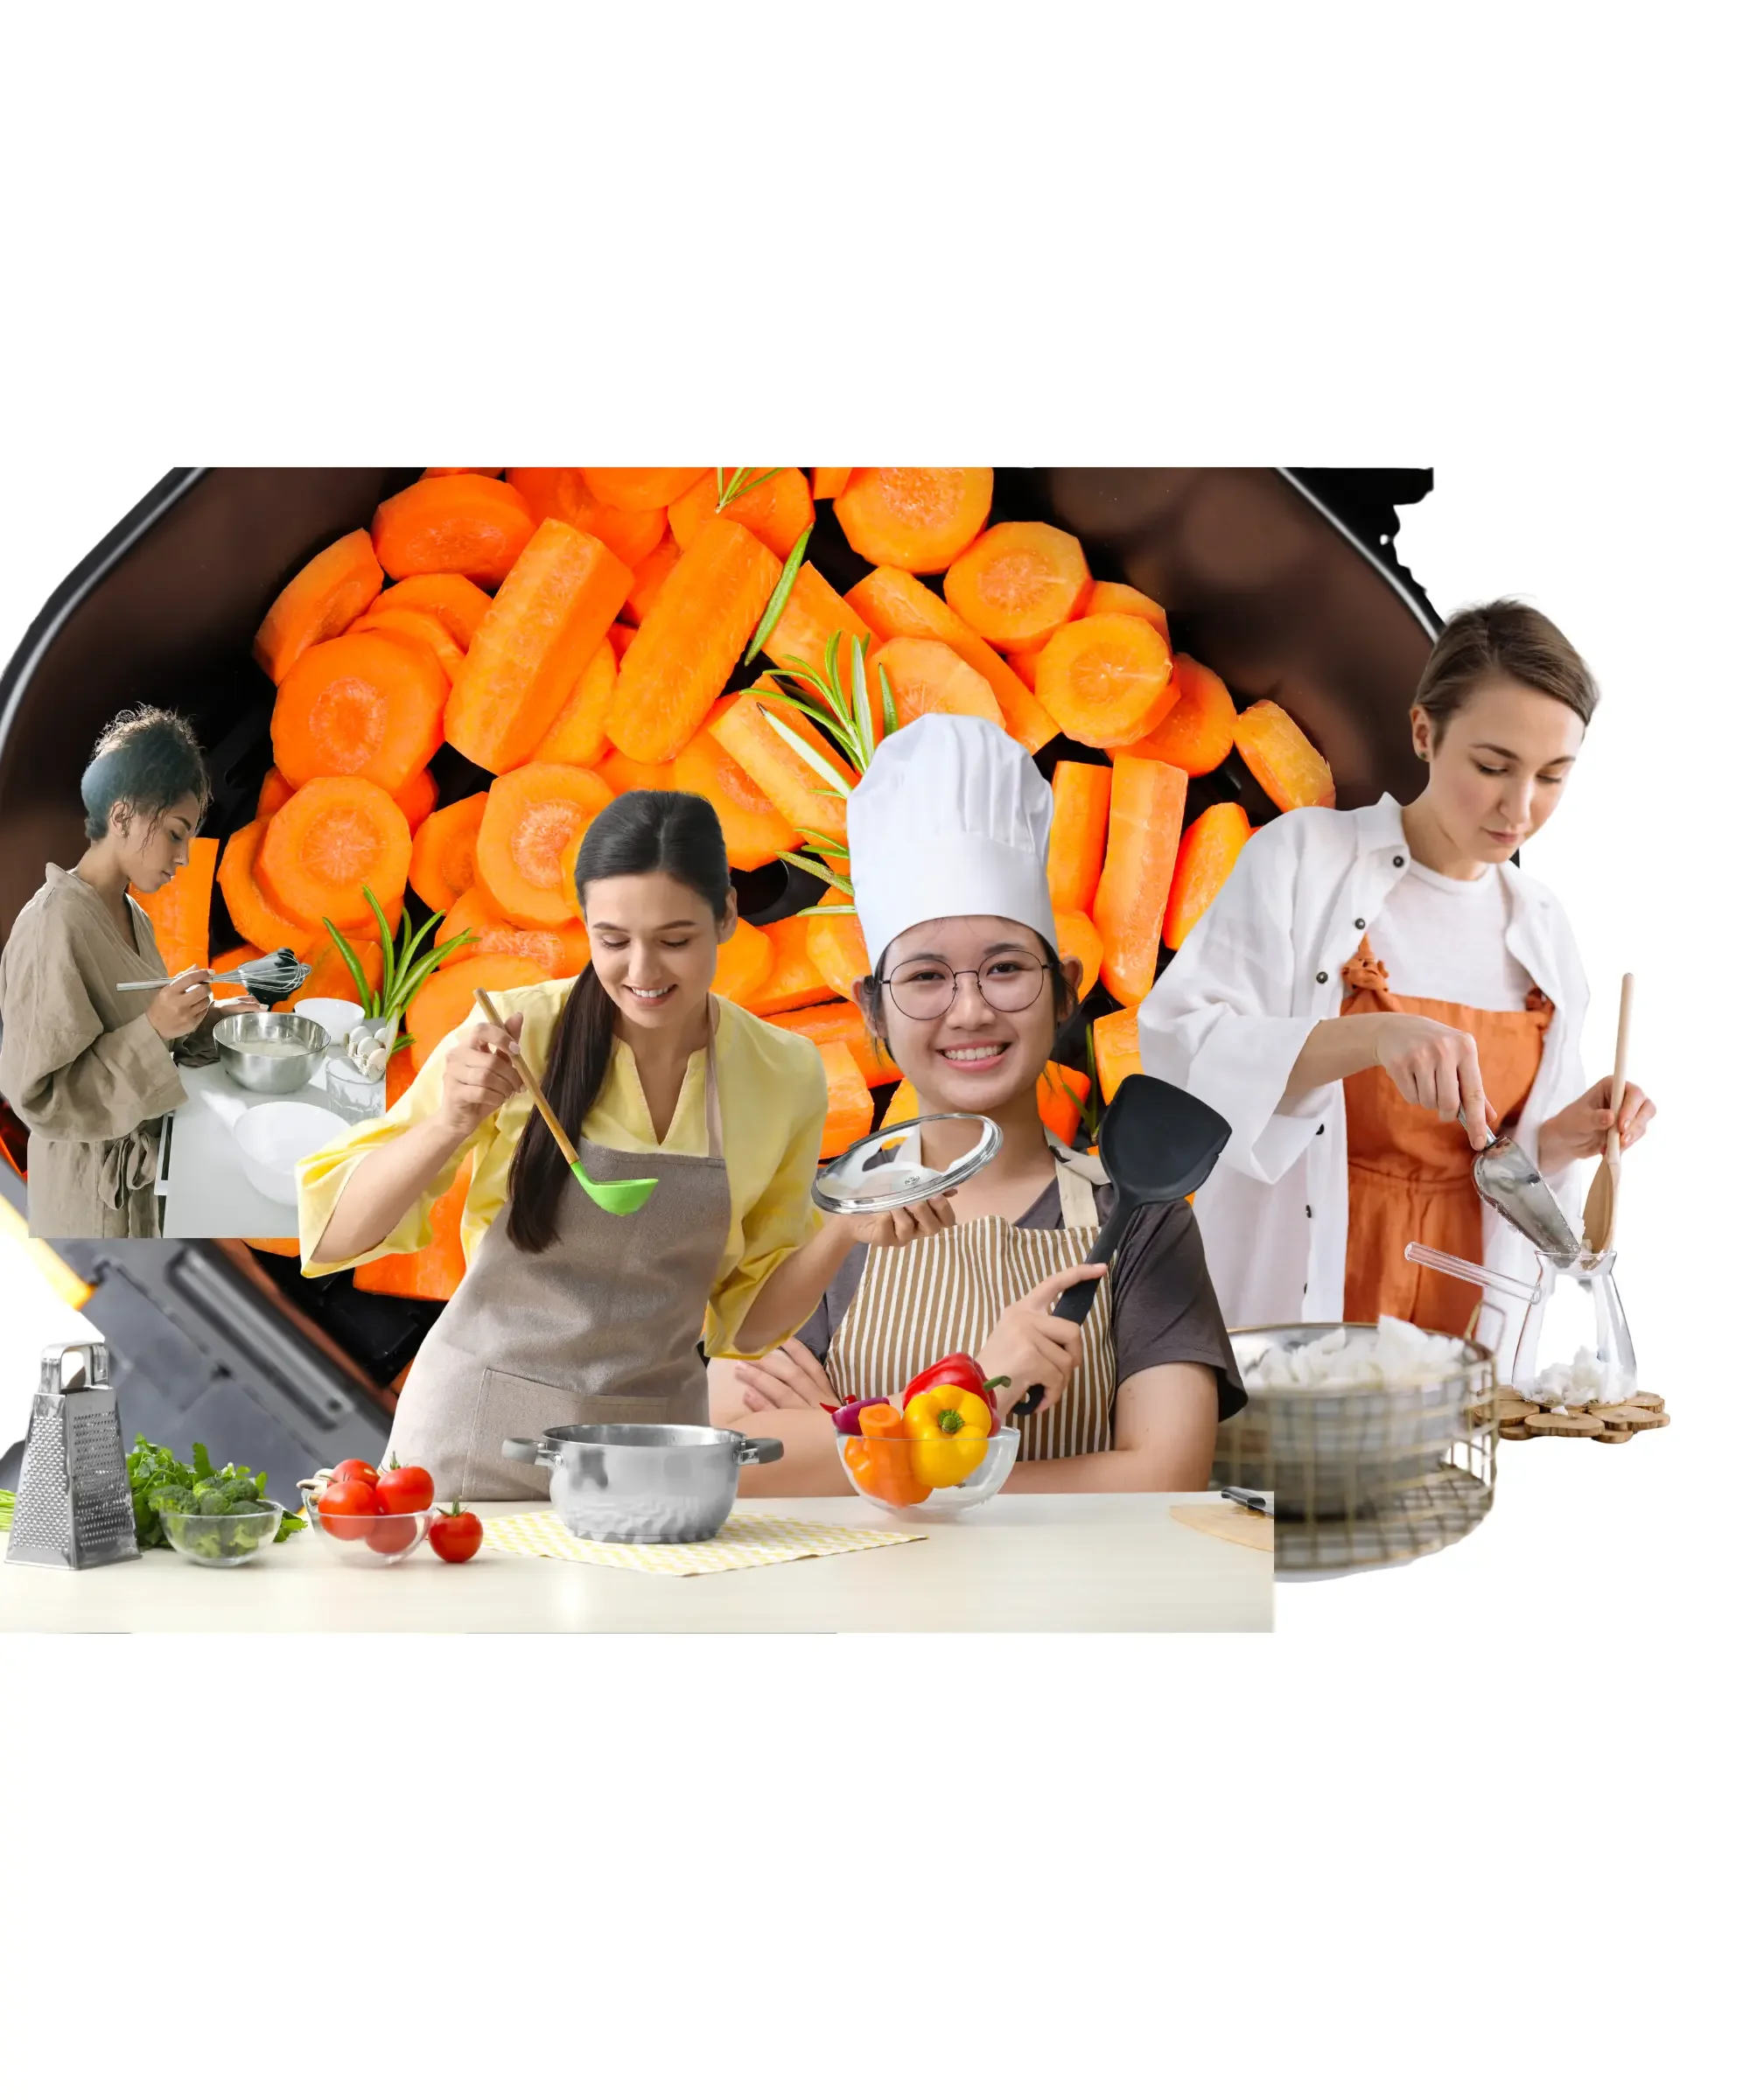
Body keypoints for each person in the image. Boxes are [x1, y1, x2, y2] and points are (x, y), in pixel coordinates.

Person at [297, 790, 951, 1501]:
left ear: (726, 914)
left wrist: (845, 1231)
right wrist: (448, 1122)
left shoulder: (785, 1072)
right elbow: (334, 1234)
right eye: (613, 941)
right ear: (585, 924)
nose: (643, 971)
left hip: (649, 1456)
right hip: (473, 1435)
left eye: (675, 940)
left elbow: (745, 1326)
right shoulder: (520, 1036)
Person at [710, 713, 1246, 1494]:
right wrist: (966, 1396)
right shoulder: (813, 1219)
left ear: (1063, 988)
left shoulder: (1140, 1221)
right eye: (926, 978)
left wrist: (864, 1435)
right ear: (872, 1010)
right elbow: (731, 1458)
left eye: (1004, 970)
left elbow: (1165, 1477)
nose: (969, 1012)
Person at [1138, 599, 1656, 1334]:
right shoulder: (1303, 859)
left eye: (1553, 776)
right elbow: (1177, 1058)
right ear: (1423, 732)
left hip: (1464, 1316)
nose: (1520, 807)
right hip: (1297, 1298)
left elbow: (1511, 1173)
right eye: (1492, 766)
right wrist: (1373, 1040)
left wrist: (1565, 1135)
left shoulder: (1542, 929)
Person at [0, 705, 258, 1238]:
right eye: (175, 833)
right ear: (122, 816)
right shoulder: (53, 924)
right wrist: (157, 1028)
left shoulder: (131, 914)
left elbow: (136, 1034)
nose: (184, 857)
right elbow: (43, 1101)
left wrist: (214, 1020)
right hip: (88, 1208)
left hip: (143, 1191)